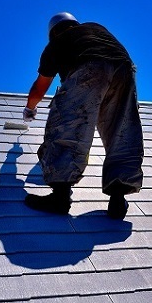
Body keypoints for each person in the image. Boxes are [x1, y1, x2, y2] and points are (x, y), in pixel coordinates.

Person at [22, 12, 144, 219]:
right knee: (121, 131)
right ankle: (118, 198)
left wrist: (30, 109)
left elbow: (40, 87)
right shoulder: (96, 29)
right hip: (124, 69)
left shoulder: (57, 43)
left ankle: (60, 198)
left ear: (53, 33)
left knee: (68, 126)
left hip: (89, 67)